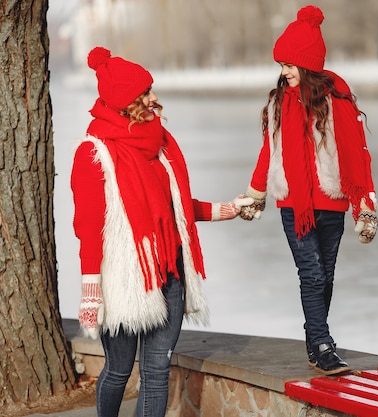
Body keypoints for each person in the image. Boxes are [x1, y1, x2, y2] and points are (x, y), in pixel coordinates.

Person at [70, 46, 252, 417]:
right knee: (119, 370)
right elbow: (87, 227)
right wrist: (91, 291)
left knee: (157, 372)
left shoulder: (161, 147)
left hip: (169, 274)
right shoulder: (94, 153)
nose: (155, 98)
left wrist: (227, 210)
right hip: (124, 282)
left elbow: (178, 207)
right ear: (127, 101)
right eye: (146, 92)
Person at [239, 5, 378, 376]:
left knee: (326, 276)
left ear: (307, 65)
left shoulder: (339, 102)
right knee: (312, 275)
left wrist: (364, 205)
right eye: (281, 65)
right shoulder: (278, 104)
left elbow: (357, 156)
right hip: (294, 204)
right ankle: (322, 344)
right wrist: (255, 194)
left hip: (331, 202)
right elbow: (269, 152)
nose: (283, 72)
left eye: (288, 65)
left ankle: (315, 338)